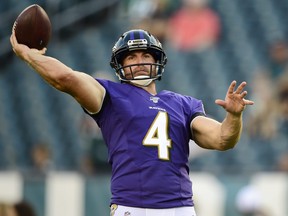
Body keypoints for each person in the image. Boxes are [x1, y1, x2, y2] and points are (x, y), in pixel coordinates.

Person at [10, 28, 253, 216]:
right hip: (133, 206)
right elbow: (65, 78)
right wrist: (29, 55)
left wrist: (233, 116)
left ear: (156, 60)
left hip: (180, 208)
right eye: (131, 57)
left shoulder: (184, 104)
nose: (139, 61)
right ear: (121, 65)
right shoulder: (110, 95)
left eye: (145, 54)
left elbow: (223, 139)